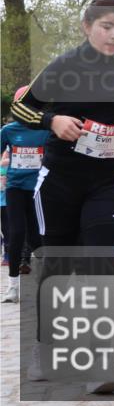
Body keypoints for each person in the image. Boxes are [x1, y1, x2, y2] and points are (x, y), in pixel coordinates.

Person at [12, 0, 114, 394]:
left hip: (105, 183)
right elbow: (20, 110)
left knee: (99, 265)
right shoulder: (64, 66)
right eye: (107, 26)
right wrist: (53, 120)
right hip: (61, 182)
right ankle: (45, 347)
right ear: (87, 26)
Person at [1, 86, 48, 300]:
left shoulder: (47, 130)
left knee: (38, 236)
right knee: (17, 233)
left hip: (38, 190)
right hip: (15, 188)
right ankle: (12, 286)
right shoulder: (8, 131)